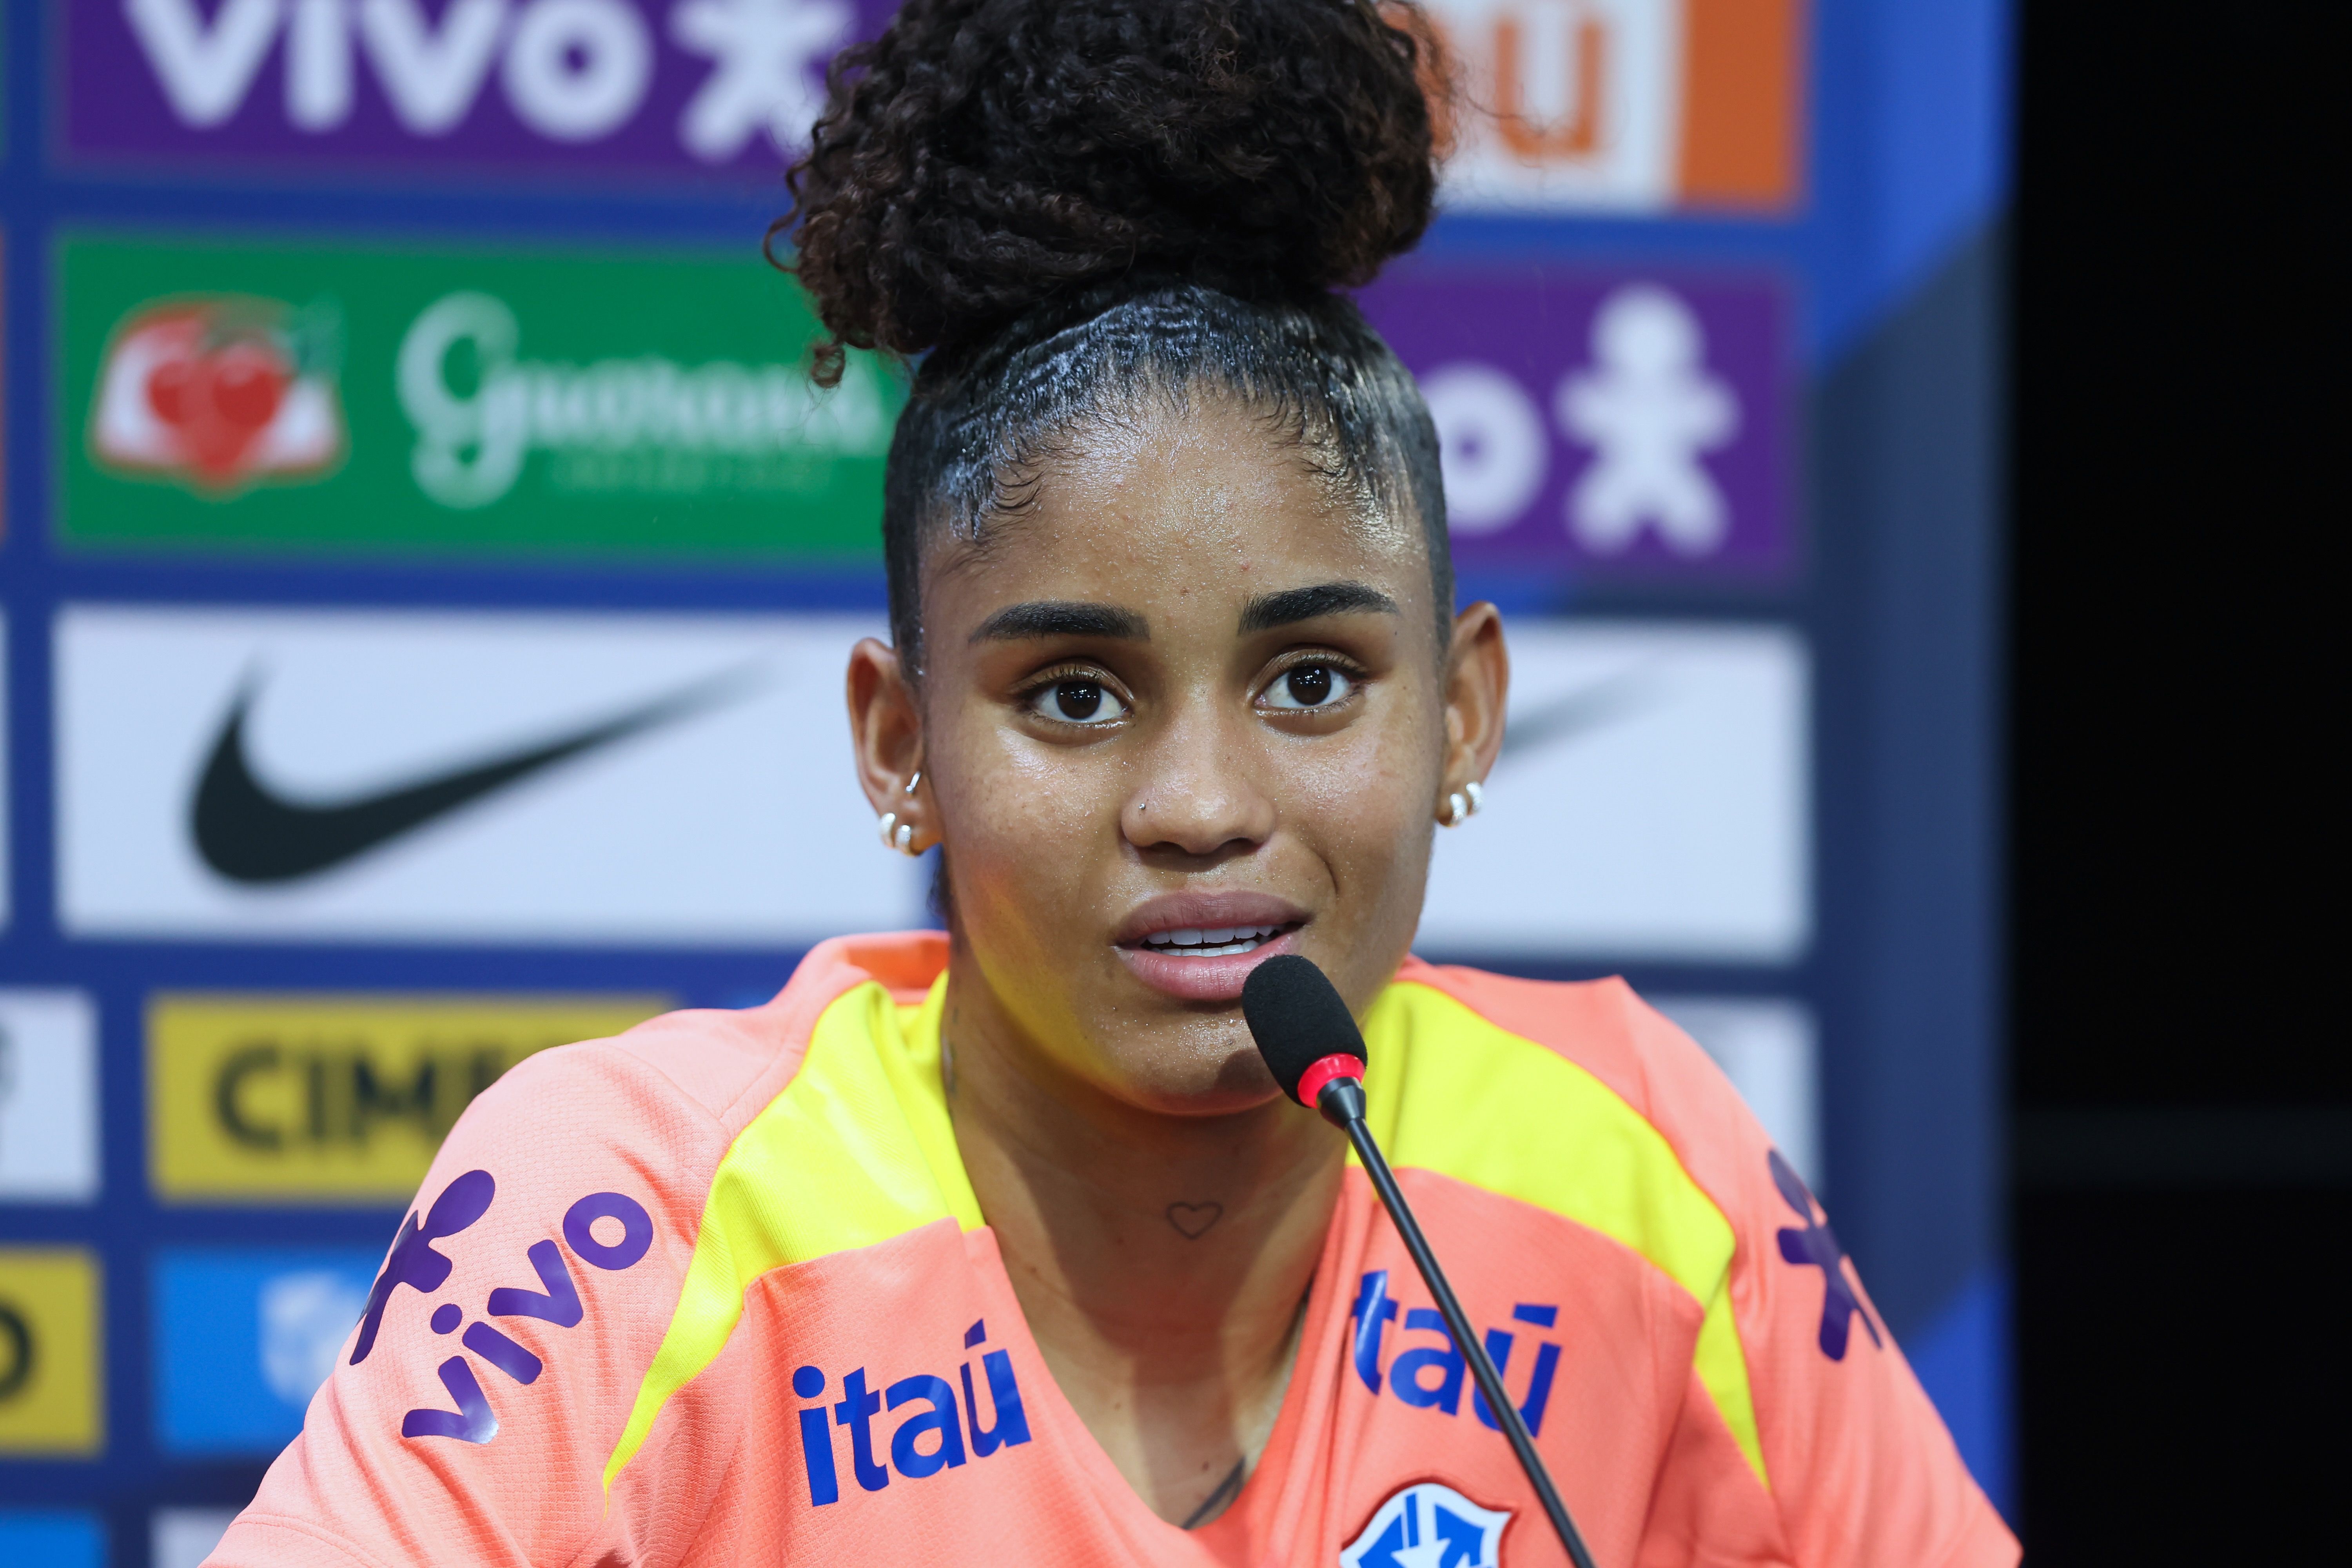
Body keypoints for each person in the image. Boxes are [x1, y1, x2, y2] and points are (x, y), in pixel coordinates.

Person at [207, 1, 2016, 1563]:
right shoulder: (634, 1212)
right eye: (1074, 695)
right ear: (901, 745)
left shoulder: (1640, 1171)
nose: (1202, 802)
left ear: (1465, 713)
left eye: (1313, 681)